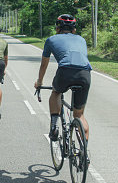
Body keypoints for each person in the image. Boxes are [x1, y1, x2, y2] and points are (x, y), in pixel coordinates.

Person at [34, 14, 92, 145]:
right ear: (74, 30)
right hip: (85, 73)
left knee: (56, 92)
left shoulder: (51, 40)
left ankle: (54, 125)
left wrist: (39, 82)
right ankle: (84, 153)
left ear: (57, 28)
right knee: (79, 115)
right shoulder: (82, 40)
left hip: (65, 71)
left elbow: (44, 64)